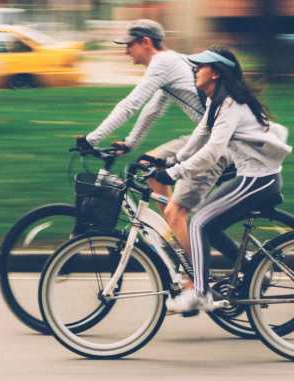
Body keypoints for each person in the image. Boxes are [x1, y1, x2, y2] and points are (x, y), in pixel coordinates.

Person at [77, 19, 237, 262]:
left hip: (218, 143)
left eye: (129, 45)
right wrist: (130, 142)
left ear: (146, 42)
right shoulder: (170, 63)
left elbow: (131, 104)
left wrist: (92, 138)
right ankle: (176, 234)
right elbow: (153, 110)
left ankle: (195, 276)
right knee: (148, 166)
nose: (125, 51)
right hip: (206, 136)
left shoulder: (162, 63)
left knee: (177, 212)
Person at [152, 47, 292, 313]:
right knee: (209, 226)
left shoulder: (231, 105)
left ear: (215, 73)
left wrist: (173, 173)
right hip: (251, 178)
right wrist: (171, 160)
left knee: (197, 223)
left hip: (258, 181)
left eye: (200, 67)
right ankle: (252, 268)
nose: (195, 70)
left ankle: (201, 293)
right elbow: (200, 136)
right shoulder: (217, 102)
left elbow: (213, 152)